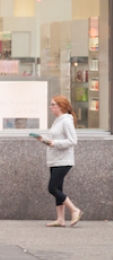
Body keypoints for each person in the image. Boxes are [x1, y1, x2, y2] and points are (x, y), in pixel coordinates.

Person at [37, 95, 82, 227]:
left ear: (60, 107)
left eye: (53, 105)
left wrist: (54, 143)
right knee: (58, 188)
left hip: (63, 161)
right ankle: (60, 219)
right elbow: (55, 139)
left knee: (52, 188)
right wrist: (44, 139)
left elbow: (73, 141)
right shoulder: (58, 121)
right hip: (55, 160)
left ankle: (74, 209)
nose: (50, 107)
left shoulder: (66, 121)